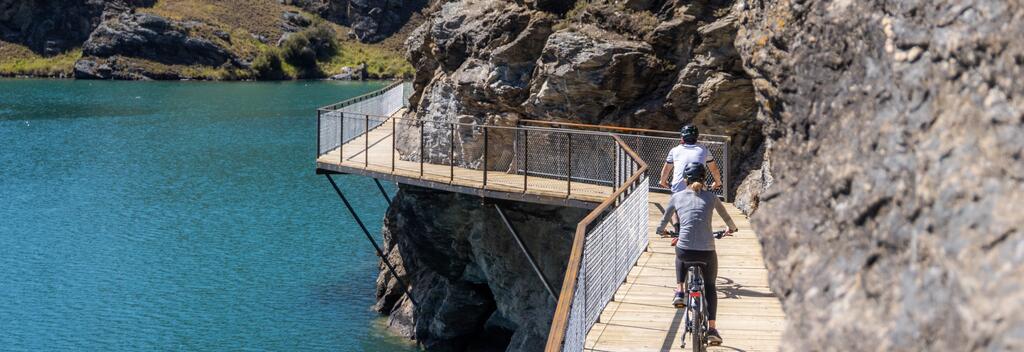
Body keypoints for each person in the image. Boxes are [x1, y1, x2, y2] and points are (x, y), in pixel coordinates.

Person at [656, 162, 738, 346]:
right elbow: (728, 219)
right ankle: (712, 329)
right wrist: (730, 229)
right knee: (709, 286)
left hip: (685, 250)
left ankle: (680, 291)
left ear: (685, 180)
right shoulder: (711, 197)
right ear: (704, 179)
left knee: (680, 255)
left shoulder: (677, 197)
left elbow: (663, 222)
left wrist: (662, 231)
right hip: (707, 252)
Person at [658, 124, 724, 193]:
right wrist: (718, 182)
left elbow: (666, 170)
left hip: (677, 190)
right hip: (699, 190)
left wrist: (663, 182)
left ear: (682, 137)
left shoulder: (674, 150)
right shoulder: (704, 150)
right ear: (697, 137)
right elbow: (714, 170)